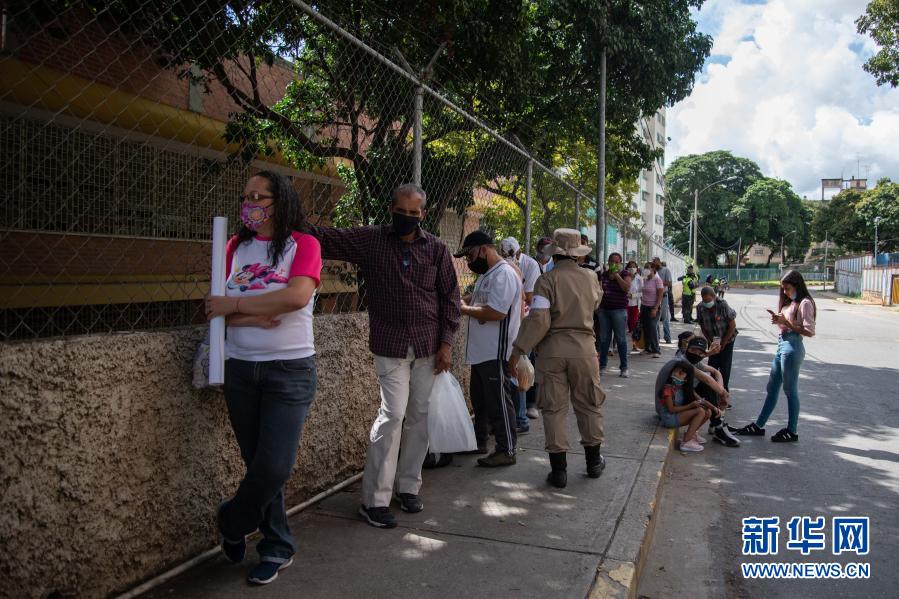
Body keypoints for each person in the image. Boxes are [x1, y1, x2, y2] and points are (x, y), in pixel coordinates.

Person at [308, 183, 461, 529]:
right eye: (402, 212)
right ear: (391, 210)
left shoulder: (436, 249)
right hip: (390, 346)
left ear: (423, 213)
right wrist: (285, 214)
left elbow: (450, 298)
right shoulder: (372, 240)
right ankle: (374, 499)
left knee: (419, 417)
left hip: (428, 346)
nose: (408, 218)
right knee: (392, 416)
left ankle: (408, 487)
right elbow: (326, 237)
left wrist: (446, 344)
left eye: (415, 213)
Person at [205, 171, 322, 585]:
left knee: (273, 466)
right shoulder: (233, 245)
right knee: (257, 464)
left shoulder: (302, 245)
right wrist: (251, 310)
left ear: (280, 201)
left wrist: (236, 306)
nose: (251, 202)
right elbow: (212, 305)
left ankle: (232, 521)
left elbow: (296, 296)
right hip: (240, 367)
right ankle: (276, 546)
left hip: (288, 369)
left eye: (260, 196)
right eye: (246, 196)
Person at [508, 228, 606, 488]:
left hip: (552, 352)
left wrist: (518, 350)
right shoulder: (591, 278)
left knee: (554, 409)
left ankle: (559, 471)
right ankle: (594, 462)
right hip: (585, 349)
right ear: (577, 254)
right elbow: (595, 305)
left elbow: (539, 320)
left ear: (555, 253)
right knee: (589, 404)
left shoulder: (546, 280)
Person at [456, 232, 522, 465]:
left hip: (496, 351)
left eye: (471, 255)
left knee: (499, 401)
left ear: (484, 249)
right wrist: (462, 300)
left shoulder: (503, 274)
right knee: (481, 400)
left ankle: (507, 449)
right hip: (482, 352)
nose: (469, 261)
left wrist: (464, 310)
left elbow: (496, 312)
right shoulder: (488, 274)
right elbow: (478, 297)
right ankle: (479, 440)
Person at [735, 270, 816, 443]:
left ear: (796, 285)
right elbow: (788, 324)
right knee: (772, 388)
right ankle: (759, 425)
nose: (785, 292)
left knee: (790, 390)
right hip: (782, 345)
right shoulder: (792, 302)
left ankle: (792, 431)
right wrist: (780, 321)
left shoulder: (805, 303)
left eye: (787, 288)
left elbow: (809, 331)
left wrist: (787, 323)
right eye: (783, 289)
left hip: (792, 347)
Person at [681, 336, 741, 447]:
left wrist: (720, 391)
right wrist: (722, 393)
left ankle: (717, 424)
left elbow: (715, 372)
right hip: (680, 399)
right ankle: (718, 426)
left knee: (711, 386)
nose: (696, 354)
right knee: (707, 387)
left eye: (699, 352)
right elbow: (706, 380)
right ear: (686, 348)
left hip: (687, 393)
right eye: (693, 350)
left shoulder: (693, 359)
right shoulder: (684, 362)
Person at [654, 360, 718, 452]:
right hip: (669, 418)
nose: (676, 374)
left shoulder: (684, 387)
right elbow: (671, 409)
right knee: (700, 411)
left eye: (680, 373)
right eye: (675, 371)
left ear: (686, 379)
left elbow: (701, 400)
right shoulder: (668, 389)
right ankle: (686, 442)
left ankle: (692, 435)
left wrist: (714, 408)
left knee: (707, 412)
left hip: (677, 414)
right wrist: (691, 405)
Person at [696, 286, 738, 391]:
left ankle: (724, 392)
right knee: (713, 365)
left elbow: (732, 325)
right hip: (713, 341)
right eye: (704, 301)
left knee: (725, 367)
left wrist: (724, 342)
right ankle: (713, 392)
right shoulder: (700, 307)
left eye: (708, 301)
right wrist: (709, 341)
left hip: (727, 339)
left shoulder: (722, 305)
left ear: (714, 297)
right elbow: (702, 326)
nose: (707, 304)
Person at [598, 252, 632, 378]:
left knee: (621, 339)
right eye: (611, 261)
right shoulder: (604, 275)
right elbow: (600, 290)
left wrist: (617, 275)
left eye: (616, 262)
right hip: (604, 310)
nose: (613, 264)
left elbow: (626, 288)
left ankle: (624, 367)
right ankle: (602, 365)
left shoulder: (624, 274)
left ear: (620, 263)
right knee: (604, 339)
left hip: (619, 310)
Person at [639, 261, 665, 357]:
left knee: (652, 327)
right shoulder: (644, 279)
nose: (646, 269)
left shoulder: (657, 280)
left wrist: (655, 308)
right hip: (644, 306)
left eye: (648, 267)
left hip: (653, 307)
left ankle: (656, 350)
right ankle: (647, 348)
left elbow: (660, 295)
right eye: (645, 267)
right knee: (645, 327)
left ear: (653, 269)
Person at [625, 260, 643, 354]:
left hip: (634, 305)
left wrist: (633, 296)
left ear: (636, 268)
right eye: (630, 266)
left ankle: (634, 345)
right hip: (624, 304)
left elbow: (642, 292)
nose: (632, 268)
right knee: (622, 325)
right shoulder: (624, 277)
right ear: (627, 268)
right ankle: (615, 345)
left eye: (634, 266)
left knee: (633, 326)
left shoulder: (639, 279)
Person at [654, 257, 677, 323]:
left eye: (655, 262)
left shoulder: (666, 270)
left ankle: (667, 333)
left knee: (665, 317)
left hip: (663, 296)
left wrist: (658, 282)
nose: (654, 264)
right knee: (656, 317)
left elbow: (669, 283)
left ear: (658, 261)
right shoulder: (654, 271)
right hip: (654, 296)